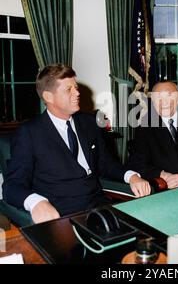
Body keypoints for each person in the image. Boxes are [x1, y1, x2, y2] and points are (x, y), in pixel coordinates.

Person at [2, 64, 151, 224]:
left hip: (100, 206)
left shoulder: (88, 122)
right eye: (69, 90)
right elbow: (12, 186)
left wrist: (132, 176)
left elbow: (106, 164)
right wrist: (36, 202)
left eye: (76, 87)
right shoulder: (29, 133)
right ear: (48, 97)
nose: (77, 93)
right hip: (61, 215)